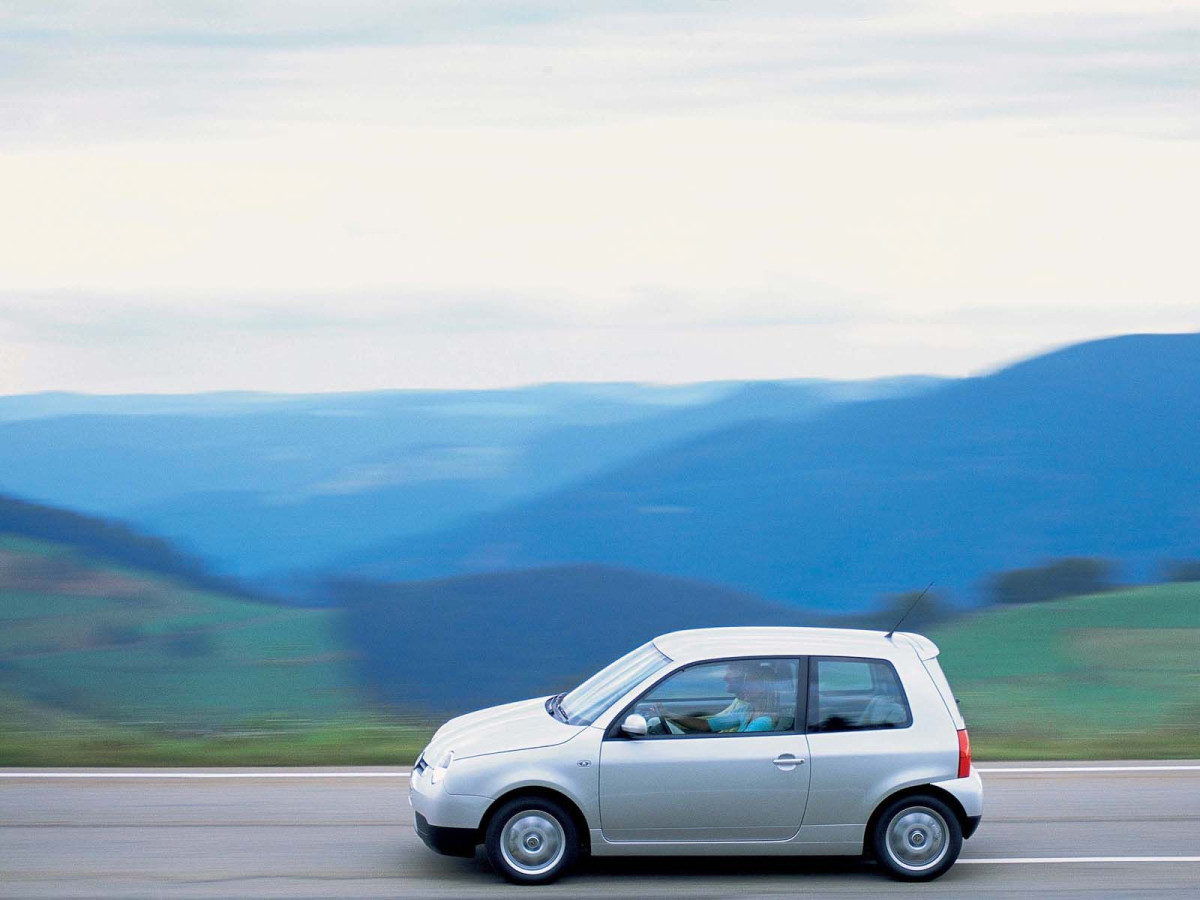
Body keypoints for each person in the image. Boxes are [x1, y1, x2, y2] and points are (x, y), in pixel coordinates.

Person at [655, 661, 783, 734]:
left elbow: (739, 748)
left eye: (750, 684)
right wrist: (669, 714)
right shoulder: (746, 711)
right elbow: (707, 725)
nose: (745, 687)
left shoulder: (763, 721)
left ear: (765, 688)